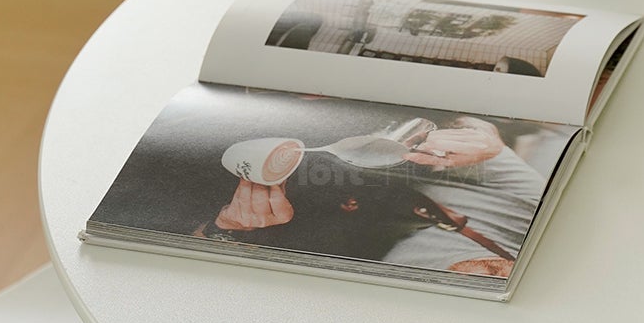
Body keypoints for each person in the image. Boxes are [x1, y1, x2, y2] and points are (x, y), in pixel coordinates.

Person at [210, 113, 550, 278]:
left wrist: (229, 229)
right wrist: (480, 137)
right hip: (327, 128)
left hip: (258, 204)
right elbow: (476, 132)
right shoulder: (538, 214)